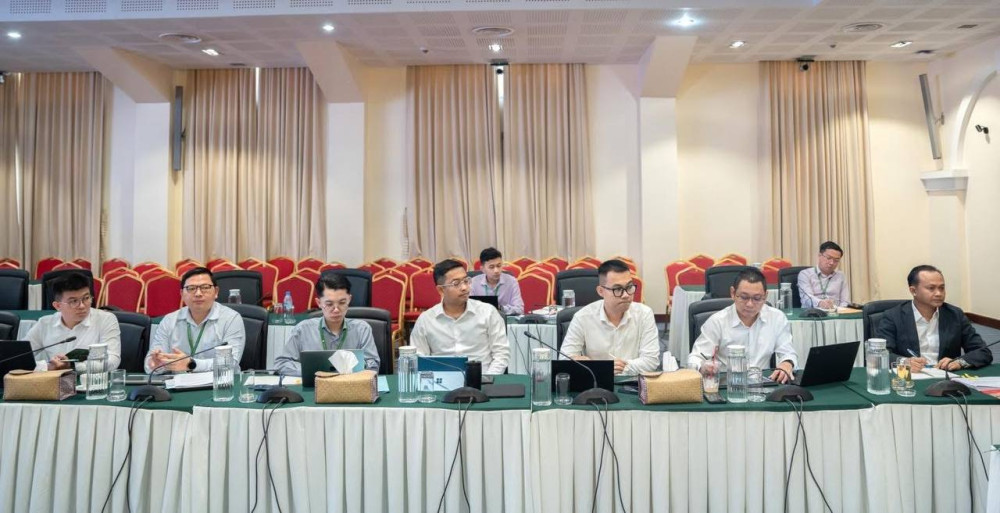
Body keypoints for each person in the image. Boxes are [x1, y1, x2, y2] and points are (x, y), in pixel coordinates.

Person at [688, 267, 797, 383]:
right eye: (744, 297)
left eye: (757, 298)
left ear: (765, 296)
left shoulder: (776, 318)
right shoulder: (717, 321)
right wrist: (703, 367)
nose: (750, 304)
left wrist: (787, 363)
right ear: (733, 293)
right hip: (727, 385)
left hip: (763, 385)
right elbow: (695, 358)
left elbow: (788, 353)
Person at [876, 265, 992, 373]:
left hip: (945, 378)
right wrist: (904, 361)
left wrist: (959, 362)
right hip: (908, 377)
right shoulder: (893, 316)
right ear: (913, 291)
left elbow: (983, 351)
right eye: (931, 288)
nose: (938, 293)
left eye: (942, 288)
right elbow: (880, 354)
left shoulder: (955, 315)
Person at [410, 259, 510, 374]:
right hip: (441, 381)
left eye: (466, 281)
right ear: (441, 290)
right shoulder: (426, 320)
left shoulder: (488, 312)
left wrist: (488, 378)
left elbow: (501, 353)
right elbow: (419, 359)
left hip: (483, 379)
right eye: (456, 283)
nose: (464, 287)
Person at [561, 259, 659, 375]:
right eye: (618, 289)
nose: (626, 295)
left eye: (629, 287)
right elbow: (564, 360)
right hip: (597, 382)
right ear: (601, 291)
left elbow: (651, 361)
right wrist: (604, 368)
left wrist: (617, 368)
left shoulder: (644, 314)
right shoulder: (582, 317)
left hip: (633, 382)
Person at [144, 267, 245, 373]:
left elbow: (231, 362)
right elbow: (150, 363)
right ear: (182, 294)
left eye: (205, 287)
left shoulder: (231, 319)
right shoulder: (169, 321)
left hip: (218, 382)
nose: (198, 293)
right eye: (191, 288)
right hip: (179, 382)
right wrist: (156, 365)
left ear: (216, 292)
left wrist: (191, 364)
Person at [274, 274, 380, 376]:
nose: (336, 309)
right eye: (329, 304)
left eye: (342, 303)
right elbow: (281, 363)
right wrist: (311, 370)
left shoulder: (362, 329)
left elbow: (373, 365)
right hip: (314, 385)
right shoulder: (303, 329)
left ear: (349, 300)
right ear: (319, 303)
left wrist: (353, 368)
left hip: (350, 384)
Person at [26, 272, 121, 372]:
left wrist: (73, 366)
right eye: (73, 301)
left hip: (90, 381)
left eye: (86, 298)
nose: (82, 306)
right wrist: (48, 367)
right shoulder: (44, 324)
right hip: (55, 380)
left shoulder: (105, 319)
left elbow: (113, 360)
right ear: (58, 306)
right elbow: (20, 357)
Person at [469, 247, 525, 315]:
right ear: (482, 269)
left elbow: (519, 309)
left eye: (499, 266)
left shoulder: (512, 281)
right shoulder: (473, 282)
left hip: (503, 319)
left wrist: (500, 308)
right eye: (491, 267)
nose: (496, 271)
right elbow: (469, 308)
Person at [797, 241, 851, 309]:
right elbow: (807, 299)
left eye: (836, 260)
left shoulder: (841, 276)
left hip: (836, 312)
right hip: (812, 312)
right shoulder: (805, 274)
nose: (831, 263)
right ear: (820, 255)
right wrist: (820, 303)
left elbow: (845, 301)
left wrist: (840, 310)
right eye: (828, 258)